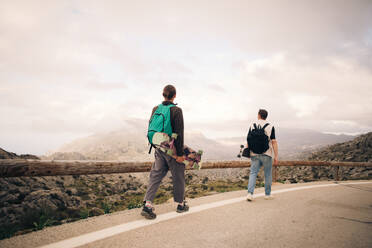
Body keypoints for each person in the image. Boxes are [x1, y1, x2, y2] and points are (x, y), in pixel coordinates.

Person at [141, 85, 189, 219]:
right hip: (171, 149)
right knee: (178, 174)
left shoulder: (155, 109)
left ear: (163, 95)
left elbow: (151, 127)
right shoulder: (176, 110)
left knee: (155, 175)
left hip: (158, 147)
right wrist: (179, 155)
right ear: (174, 95)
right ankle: (181, 204)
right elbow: (179, 133)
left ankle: (148, 205)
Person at [246, 109, 278, 201]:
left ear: (259, 115)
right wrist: (276, 156)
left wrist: (248, 152)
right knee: (268, 174)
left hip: (254, 154)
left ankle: (250, 194)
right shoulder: (270, 126)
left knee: (253, 173)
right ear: (266, 116)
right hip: (267, 154)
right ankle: (267, 195)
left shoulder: (252, 125)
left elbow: (248, 140)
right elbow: (274, 142)